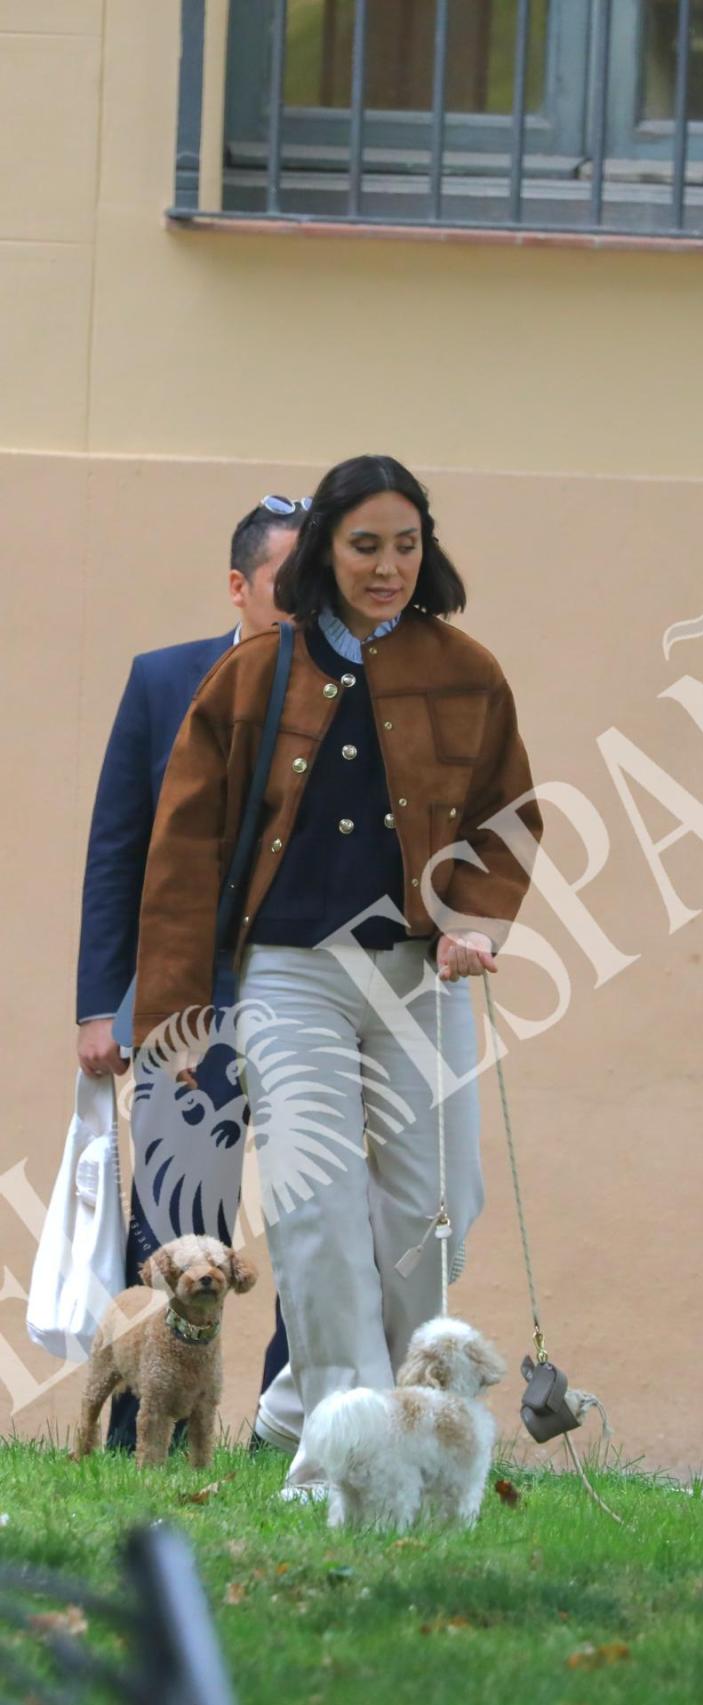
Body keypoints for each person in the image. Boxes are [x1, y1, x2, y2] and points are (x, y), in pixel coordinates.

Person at [131, 455, 543, 1490]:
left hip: (418, 973)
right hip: (289, 975)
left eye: (407, 544)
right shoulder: (253, 674)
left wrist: (471, 920)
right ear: (325, 551)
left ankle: (309, 1406)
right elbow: (183, 848)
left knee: (438, 1206)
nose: (388, 566)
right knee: (316, 1210)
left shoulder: (468, 670)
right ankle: (350, 1450)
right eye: (366, 545)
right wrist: (175, 1009)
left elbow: (509, 814)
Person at [75, 498, 302, 1449]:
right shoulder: (164, 679)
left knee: (311, 1205)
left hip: (307, 990)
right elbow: (117, 847)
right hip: (183, 1001)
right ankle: (139, 1427)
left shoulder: (360, 690)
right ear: (239, 586)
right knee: (176, 1211)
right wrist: (102, 1004)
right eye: (290, 582)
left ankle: (287, 1429)